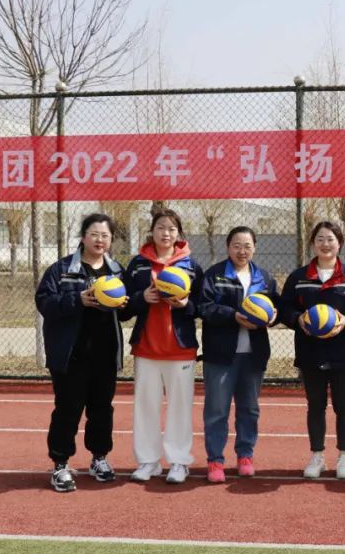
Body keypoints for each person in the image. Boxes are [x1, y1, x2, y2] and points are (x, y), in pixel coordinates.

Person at [36, 214, 127, 492]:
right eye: (94, 234)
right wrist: (77, 300)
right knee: (68, 409)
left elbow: (125, 312)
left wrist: (126, 304)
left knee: (102, 409)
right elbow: (44, 302)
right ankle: (60, 464)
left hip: (105, 354)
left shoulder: (116, 271)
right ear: (83, 237)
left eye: (105, 235)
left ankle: (99, 458)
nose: (100, 240)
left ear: (111, 240)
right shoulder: (62, 269)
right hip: (71, 354)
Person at [281, 221, 345, 480]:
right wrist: (298, 319)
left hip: (343, 351)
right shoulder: (298, 277)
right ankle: (317, 456)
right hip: (310, 350)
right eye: (320, 239)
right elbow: (284, 308)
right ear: (313, 243)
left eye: (331, 239)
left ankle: (344, 456)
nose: (325, 244)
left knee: (343, 405)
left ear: (339, 243)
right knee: (315, 405)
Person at [121, 208, 205, 485]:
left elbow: (202, 306)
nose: (166, 233)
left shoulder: (191, 266)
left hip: (180, 348)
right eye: (160, 227)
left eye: (171, 228)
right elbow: (123, 306)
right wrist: (141, 298)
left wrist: (186, 304)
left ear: (178, 233)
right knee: (146, 406)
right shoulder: (138, 264)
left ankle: (179, 461)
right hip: (146, 347)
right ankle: (148, 461)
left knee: (180, 407)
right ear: (152, 231)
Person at [198, 227, 279, 484]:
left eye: (247, 246)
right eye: (236, 245)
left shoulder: (264, 278)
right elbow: (204, 307)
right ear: (228, 247)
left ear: (255, 247)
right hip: (221, 355)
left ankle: (245, 455)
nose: (242, 251)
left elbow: (276, 307)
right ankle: (215, 460)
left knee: (249, 409)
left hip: (253, 356)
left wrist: (273, 317)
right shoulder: (214, 275)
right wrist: (232, 316)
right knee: (217, 410)